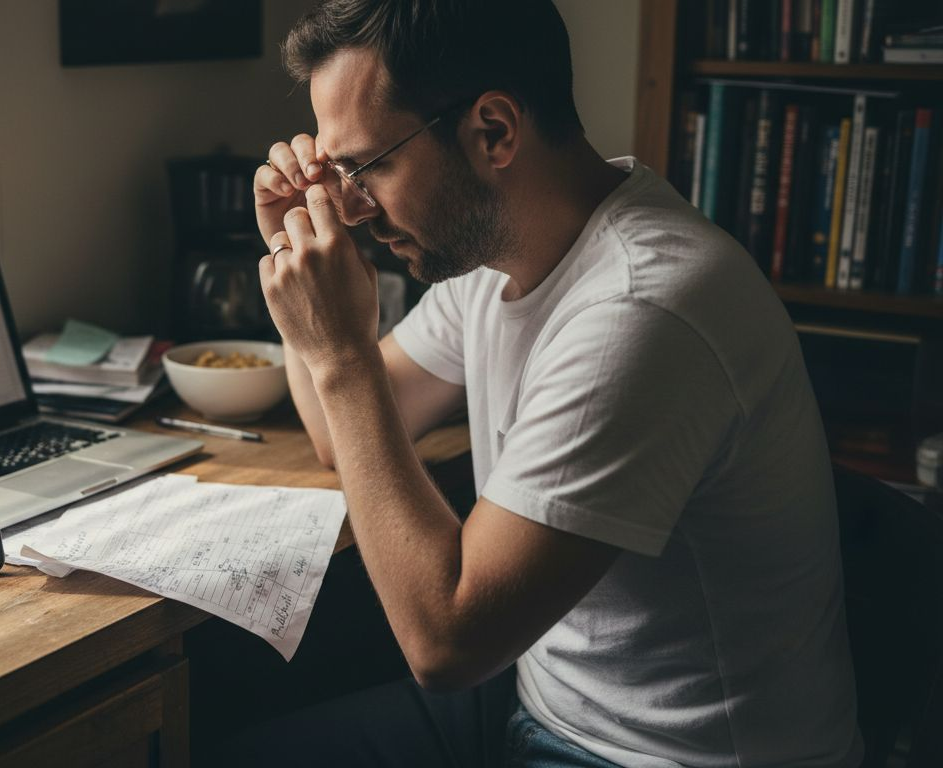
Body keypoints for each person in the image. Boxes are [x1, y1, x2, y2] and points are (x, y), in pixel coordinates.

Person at [232, 0, 863, 765]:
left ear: (494, 130)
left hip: (648, 755)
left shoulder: (645, 308)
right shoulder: (499, 256)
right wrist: (293, 255)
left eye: (368, 168)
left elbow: (446, 644)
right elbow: (343, 435)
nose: (354, 210)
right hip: (537, 703)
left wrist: (339, 354)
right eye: (339, 177)